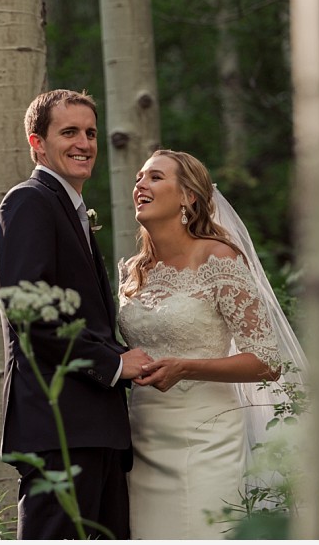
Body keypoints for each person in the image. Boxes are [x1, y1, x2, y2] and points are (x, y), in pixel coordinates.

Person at [118, 149, 309, 539]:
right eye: (139, 178)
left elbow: (267, 360)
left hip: (205, 438)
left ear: (188, 196)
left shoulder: (218, 257)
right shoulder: (134, 270)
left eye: (155, 177)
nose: (140, 184)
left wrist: (186, 367)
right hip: (141, 439)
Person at [0, 89, 153, 540]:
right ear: (36, 142)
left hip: (96, 429)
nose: (84, 143)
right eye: (69, 132)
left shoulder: (71, 210)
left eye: (90, 132)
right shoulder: (28, 202)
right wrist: (115, 363)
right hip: (58, 429)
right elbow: (29, 316)